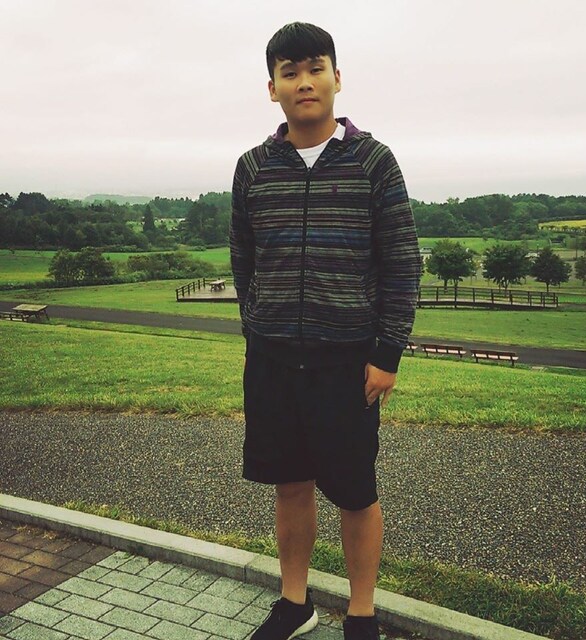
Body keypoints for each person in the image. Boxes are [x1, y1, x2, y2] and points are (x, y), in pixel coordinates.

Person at [230, 21, 421, 640]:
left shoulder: (373, 161)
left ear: (337, 78)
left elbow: (401, 262)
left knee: (355, 492)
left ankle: (361, 613)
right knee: (290, 485)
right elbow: (244, 260)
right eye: (289, 72)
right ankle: (295, 603)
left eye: (315, 68)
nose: (304, 82)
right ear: (272, 88)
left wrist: (387, 353)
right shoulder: (253, 167)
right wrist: (257, 330)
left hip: (347, 363)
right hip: (273, 361)